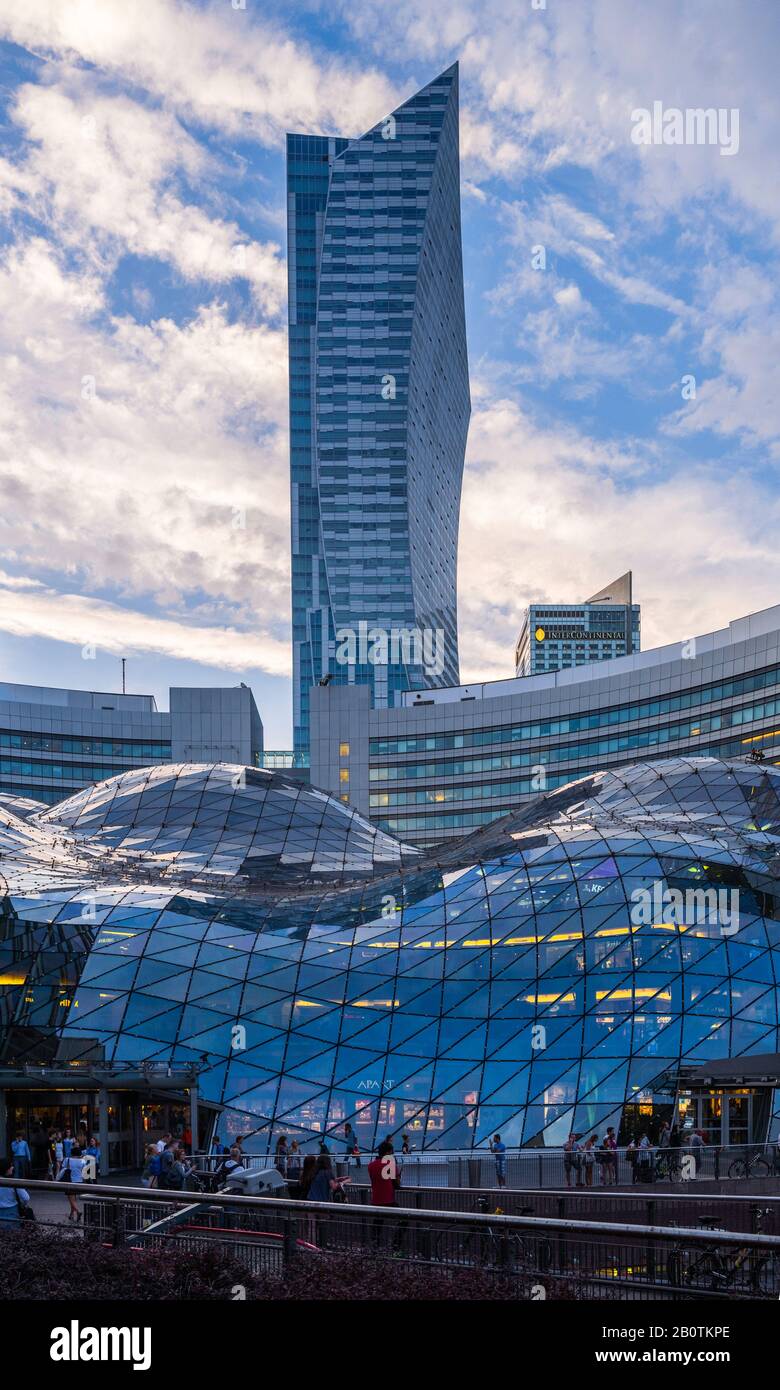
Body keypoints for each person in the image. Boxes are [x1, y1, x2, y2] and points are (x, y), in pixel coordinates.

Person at [57, 1143, 87, 1222]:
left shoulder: (67, 1159)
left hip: (70, 1181)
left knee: (71, 1199)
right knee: (73, 1199)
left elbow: (63, 1168)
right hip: (79, 1181)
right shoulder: (83, 1161)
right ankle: (71, 1215)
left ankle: (78, 1211)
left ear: (72, 1153)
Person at [0, 1158, 31, 1228]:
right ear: (6, 1169)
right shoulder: (14, 1182)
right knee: (12, 1235)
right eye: (10, 1166)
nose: (12, 1167)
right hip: (12, 1212)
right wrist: (22, 1204)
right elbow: (26, 1197)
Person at [368, 1140, 400, 1208]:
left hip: (375, 1201)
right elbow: (397, 1184)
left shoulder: (371, 1165)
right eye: (391, 1153)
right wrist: (398, 1175)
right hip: (388, 1201)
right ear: (387, 1153)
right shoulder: (390, 1164)